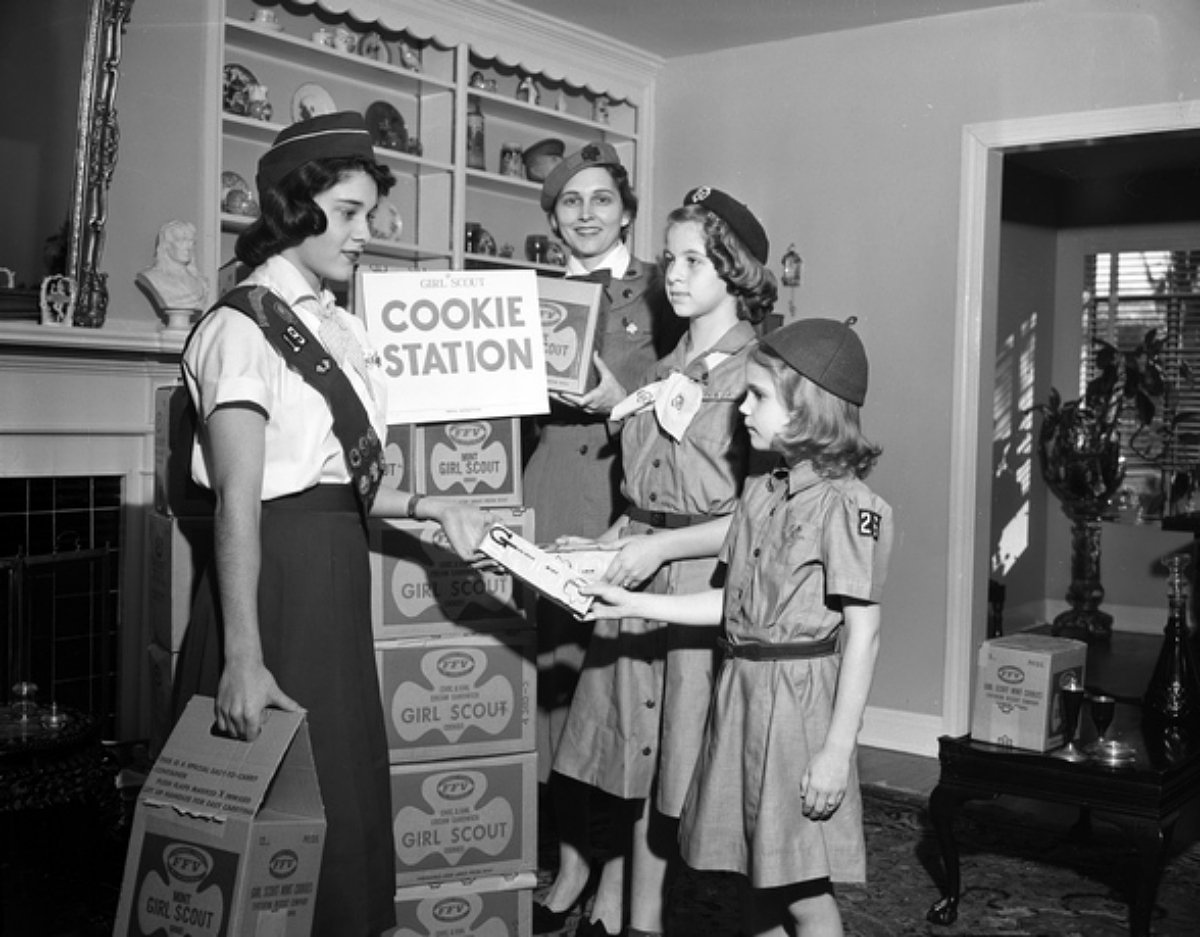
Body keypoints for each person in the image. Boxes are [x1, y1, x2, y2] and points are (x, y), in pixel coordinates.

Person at [171, 112, 493, 937]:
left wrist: (429, 505)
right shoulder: (241, 329)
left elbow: (331, 482)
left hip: (332, 568)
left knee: (338, 796)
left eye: (368, 214)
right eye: (349, 213)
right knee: (266, 810)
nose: (366, 234)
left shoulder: (332, 325)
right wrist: (243, 658)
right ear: (293, 210)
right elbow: (242, 500)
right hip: (273, 587)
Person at [582, 317, 893, 937]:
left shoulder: (851, 508)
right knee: (758, 873)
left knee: (801, 886)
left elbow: (865, 633)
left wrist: (835, 752)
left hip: (799, 702)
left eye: (758, 397)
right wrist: (630, 604)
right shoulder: (760, 494)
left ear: (808, 409)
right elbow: (726, 604)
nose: (741, 409)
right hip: (741, 690)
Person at [552, 187, 777, 937]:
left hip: (701, 588)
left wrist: (655, 548)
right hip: (643, 573)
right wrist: (601, 546)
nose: (672, 275)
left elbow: (756, 521)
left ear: (734, 269)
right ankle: (638, 923)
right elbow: (649, 492)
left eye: (692, 260)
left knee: (702, 780)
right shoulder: (671, 363)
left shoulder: (758, 373)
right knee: (642, 774)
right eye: (669, 258)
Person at [527, 141, 682, 934]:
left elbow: (691, 395)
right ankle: (572, 859)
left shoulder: (664, 290)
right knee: (554, 687)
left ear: (624, 208)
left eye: (599, 199)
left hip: (626, 499)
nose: (584, 214)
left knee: (619, 695)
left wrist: (621, 395)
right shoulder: (527, 292)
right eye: (568, 202)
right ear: (552, 217)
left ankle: (619, 871)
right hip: (547, 493)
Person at [136, 219, 209, 312]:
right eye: (181, 241)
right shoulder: (153, 277)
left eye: (191, 241)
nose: (188, 247)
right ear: (166, 245)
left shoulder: (201, 282)